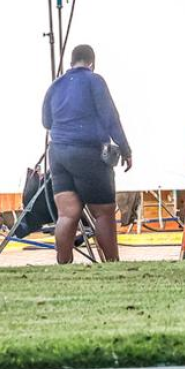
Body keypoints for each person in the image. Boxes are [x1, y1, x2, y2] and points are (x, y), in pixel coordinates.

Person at [41, 44, 132, 264]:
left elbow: (46, 122)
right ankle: (112, 263)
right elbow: (111, 117)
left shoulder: (55, 85)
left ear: (71, 63)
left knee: (67, 214)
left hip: (58, 153)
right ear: (92, 62)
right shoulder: (95, 80)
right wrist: (125, 149)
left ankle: (63, 264)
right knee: (104, 212)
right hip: (88, 152)